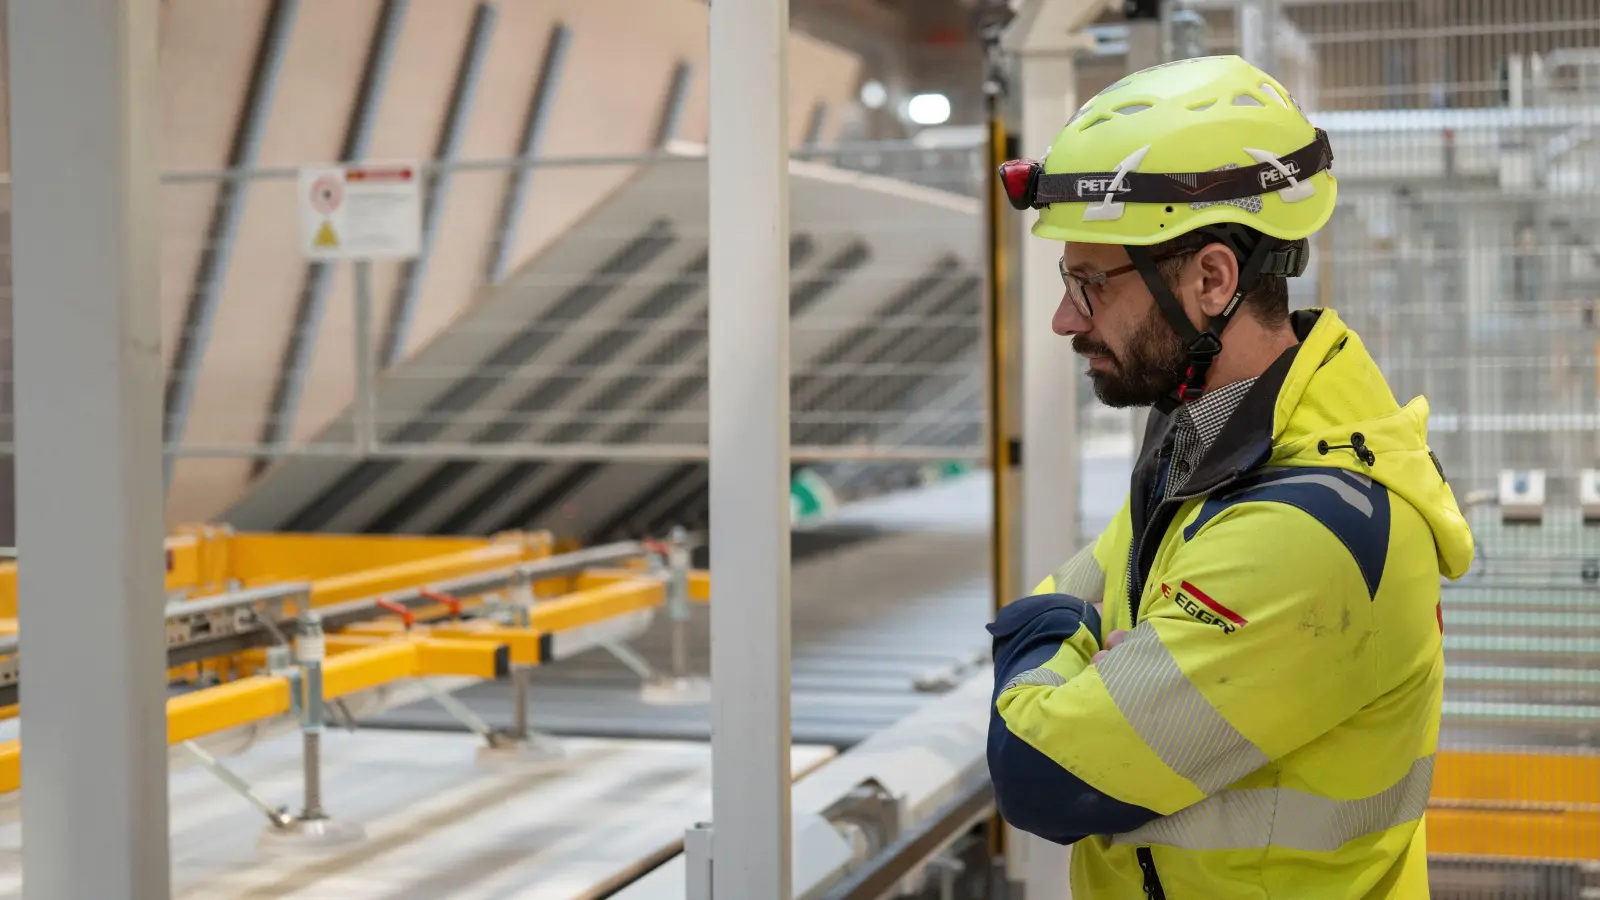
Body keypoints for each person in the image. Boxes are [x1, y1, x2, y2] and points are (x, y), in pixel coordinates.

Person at [985, 55, 1475, 898]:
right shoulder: (1204, 445)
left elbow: (1038, 771)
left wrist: (1050, 647)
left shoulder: (1309, 530)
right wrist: (1080, 653)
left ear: (1210, 279)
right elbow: (1071, 599)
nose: (1067, 318)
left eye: (1088, 282)